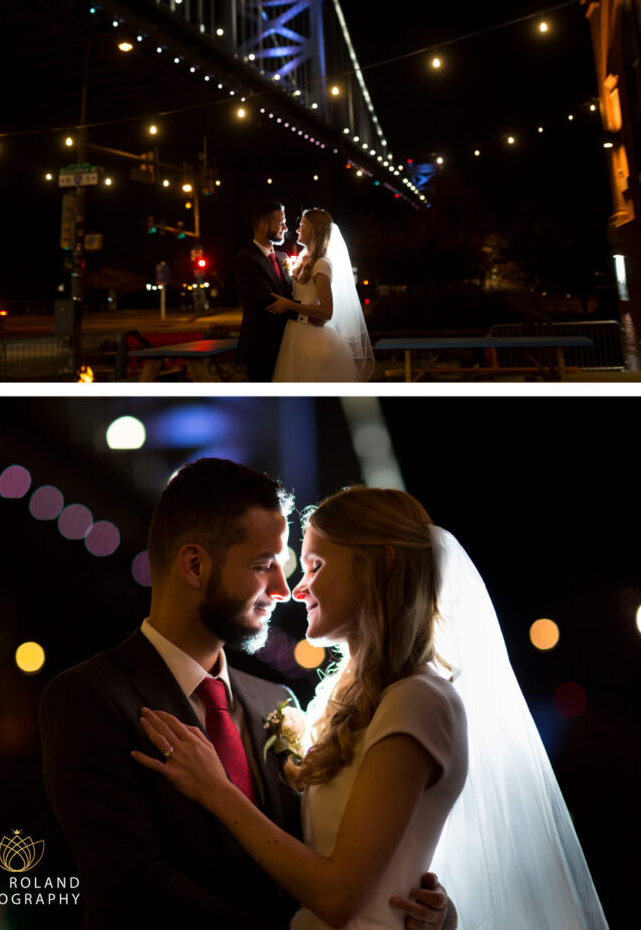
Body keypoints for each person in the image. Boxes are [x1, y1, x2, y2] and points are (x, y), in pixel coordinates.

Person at [134, 486, 610, 930]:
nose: (299, 588)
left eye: (316, 566)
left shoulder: (419, 700)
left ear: (377, 566)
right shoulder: (350, 703)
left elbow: (340, 897)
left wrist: (217, 791)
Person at [39, 461, 451, 930]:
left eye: (287, 565)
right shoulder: (89, 699)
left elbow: (323, 856)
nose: (282, 590)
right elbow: (137, 889)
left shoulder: (277, 701)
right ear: (195, 565)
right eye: (263, 566)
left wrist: (411, 901)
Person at [268, 209, 374, 382]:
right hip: (296, 332)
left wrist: (289, 304)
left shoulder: (321, 263)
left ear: (316, 230)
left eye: (302, 225)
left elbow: (326, 311)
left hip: (310, 337)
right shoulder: (305, 257)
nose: (297, 229)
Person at [234, 200, 297, 382]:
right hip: (261, 345)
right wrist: (309, 311)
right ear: (263, 226)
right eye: (280, 223)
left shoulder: (282, 257)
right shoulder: (245, 259)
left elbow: (288, 296)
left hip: (288, 341)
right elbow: (267, 301)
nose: (285, 228)